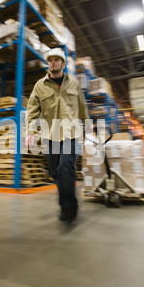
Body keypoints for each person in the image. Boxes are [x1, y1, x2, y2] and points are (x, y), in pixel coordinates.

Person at [25, 48, 89, 222]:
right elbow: (32, 111)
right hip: (51, 134)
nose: (52, 62)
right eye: (50, 60)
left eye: (56, 59)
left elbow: (82, 108)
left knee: (65, 167)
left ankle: (68, 207)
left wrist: (89, 130)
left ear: (63, 63)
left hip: (71, 133)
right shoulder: (40, 86)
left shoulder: (74, 83)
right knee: (55, 172)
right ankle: (68, 204)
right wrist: (30, 131)